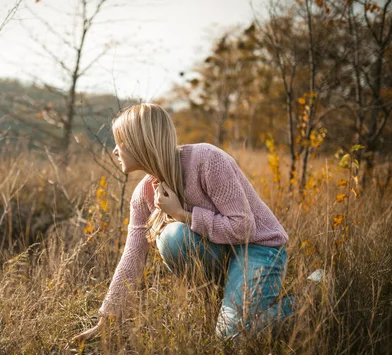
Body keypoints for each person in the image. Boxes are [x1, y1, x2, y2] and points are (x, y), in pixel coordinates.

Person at [71, 103, 293, 342]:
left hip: (258, 248)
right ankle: (226, 295)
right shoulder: (144, 193)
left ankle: (312, 293)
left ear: (140, 142)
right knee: (173, 238)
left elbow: (243, 228)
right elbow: (132, 257)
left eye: (120, 142)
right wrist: (106, 320)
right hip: (222, 254)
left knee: (232, 339)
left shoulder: (207, 160)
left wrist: (182, 215)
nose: (114, 151)